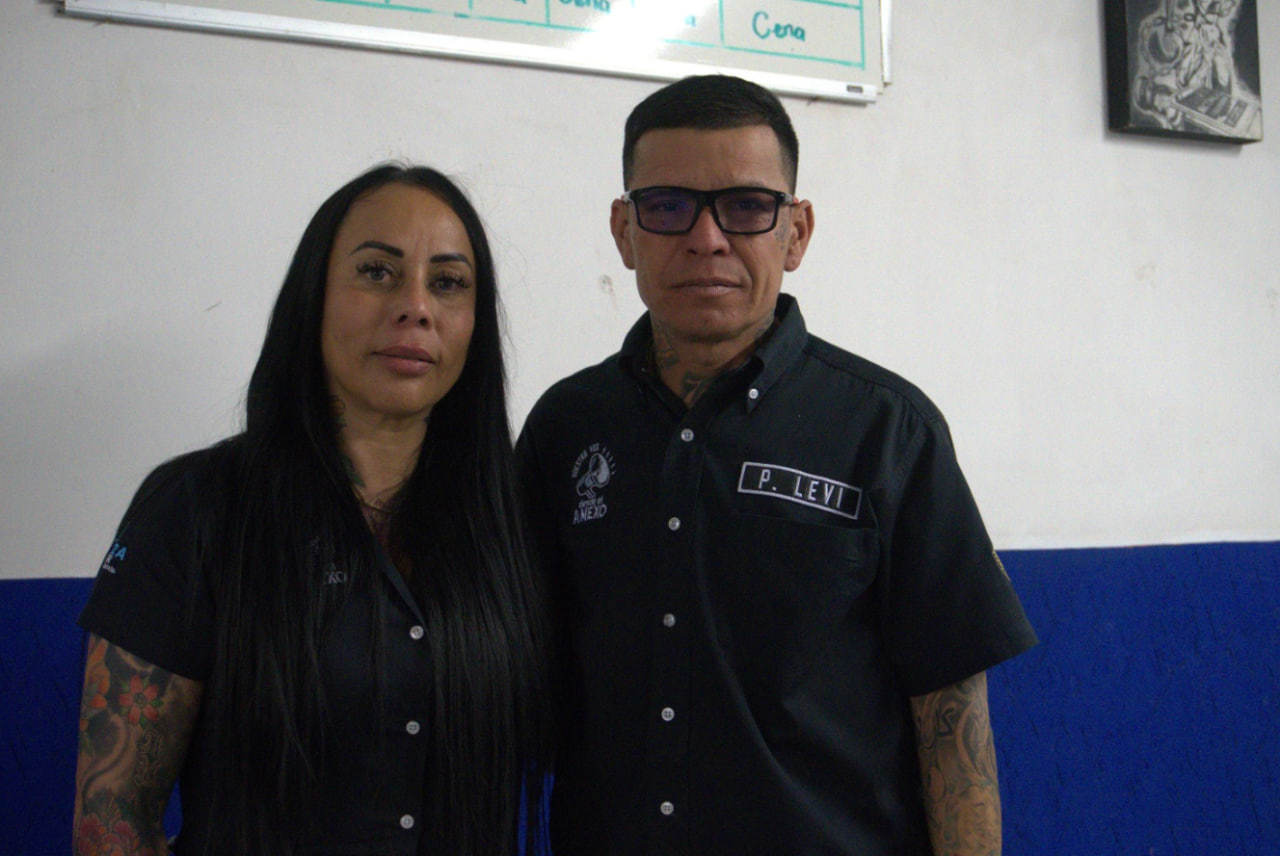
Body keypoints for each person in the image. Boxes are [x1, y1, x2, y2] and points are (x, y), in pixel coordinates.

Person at [515, 75, 1038, 855]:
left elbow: (951, 721)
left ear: (795, 232)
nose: (706, 238)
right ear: (624, 232)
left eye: (747, 206)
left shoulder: (889, 432)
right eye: (668, 206)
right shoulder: (564, 429)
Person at [74, 164, 553, 856]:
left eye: (448, 282)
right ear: (314, 297)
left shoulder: (510, 520)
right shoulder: (197, 509)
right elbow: (112, 816)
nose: (416, 307)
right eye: (377, 272)